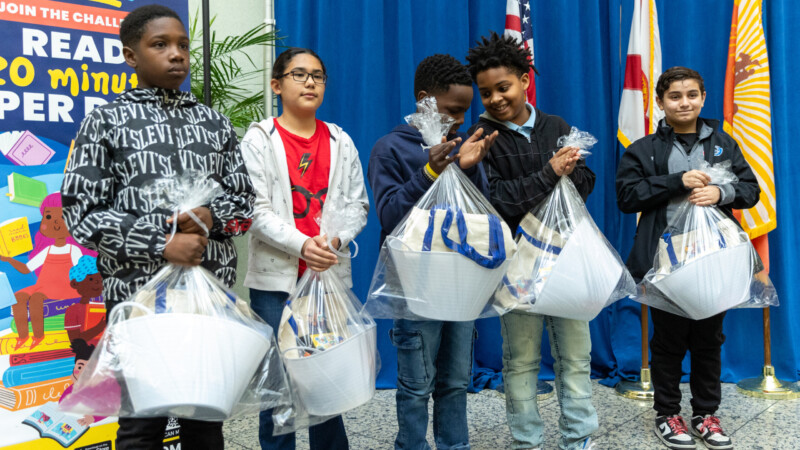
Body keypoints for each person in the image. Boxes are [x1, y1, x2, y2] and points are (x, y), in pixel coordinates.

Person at [60, 4, 255, 449]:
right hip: (137, 304)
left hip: (207, 302)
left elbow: (245, 205)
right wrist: (161, 244)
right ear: (131, 56)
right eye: (160, 45)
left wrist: (212, 217)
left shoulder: (214, 122)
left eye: (183, 45)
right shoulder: (104, 122)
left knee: (205, 422)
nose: (177, 55)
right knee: (141, 426)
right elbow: (82, 214)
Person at [616, 66, 759, 450]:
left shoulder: (723, 144)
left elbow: (751, 189)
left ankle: (706, 414)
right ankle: (668, 414)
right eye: (675, 96)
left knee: (709, 339)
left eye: (692, 94)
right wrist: (675, 182)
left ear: (704, 97)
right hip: (665, 263)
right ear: (660, 102)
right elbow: (626, 197)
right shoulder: (643, 149)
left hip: (714, 260)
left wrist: (721, 194)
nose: (684, 102)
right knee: (668, 340)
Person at [466, 32, 597, 450]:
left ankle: (577, 439)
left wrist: (571, 169)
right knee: (520, 362)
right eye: (485, 93)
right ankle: (527, 442)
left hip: (566, 261)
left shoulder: (556, 127)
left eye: (503, 87)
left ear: (524, 80)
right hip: (517, 266)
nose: (496, 99)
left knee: (576, 358)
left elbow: (585, 187)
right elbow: (497, 201)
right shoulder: (482, 136)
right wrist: (548, 174)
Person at [240, 47, 369, 450]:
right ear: (277, 85)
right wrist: (301, 245)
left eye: (318, 75)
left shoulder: (340, 141)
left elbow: (358, 206)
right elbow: (255, 210)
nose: (310, 81)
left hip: (326, 280)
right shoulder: (260, 138)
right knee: (277, 388)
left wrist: (334, 241)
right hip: (275, 284)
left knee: (326, 382)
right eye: (299, 74)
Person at [369, 53, 497, 450]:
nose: (460, 120)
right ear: (424, 99)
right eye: (452, 110)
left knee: (456, 381)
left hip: (459, 286)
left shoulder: (461, 145)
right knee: (414, 385)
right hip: (413, 288)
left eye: (465, 112)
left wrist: (470, 168)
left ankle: (454, 444)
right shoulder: (390, 149)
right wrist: (429, 171)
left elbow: (481, 214)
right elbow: (390, 215)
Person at [0, 193, 95, 350]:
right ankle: (23, 337)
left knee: (36, 298)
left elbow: (83, 271)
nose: (56, 223)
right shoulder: (47, 250)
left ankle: (39, 336)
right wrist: (9, 259)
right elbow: (26, 269)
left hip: (66, 287)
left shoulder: (74, 249)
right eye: (49, 217)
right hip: (44, 286)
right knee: (18, 297)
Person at [65, 255, 105, 345]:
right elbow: (75, 341)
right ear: (75, 283)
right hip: (86, 355)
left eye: (101, 279)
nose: (97, 283)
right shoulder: (73, 311)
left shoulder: (107, 306)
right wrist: (100, 327)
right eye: (91, 279)